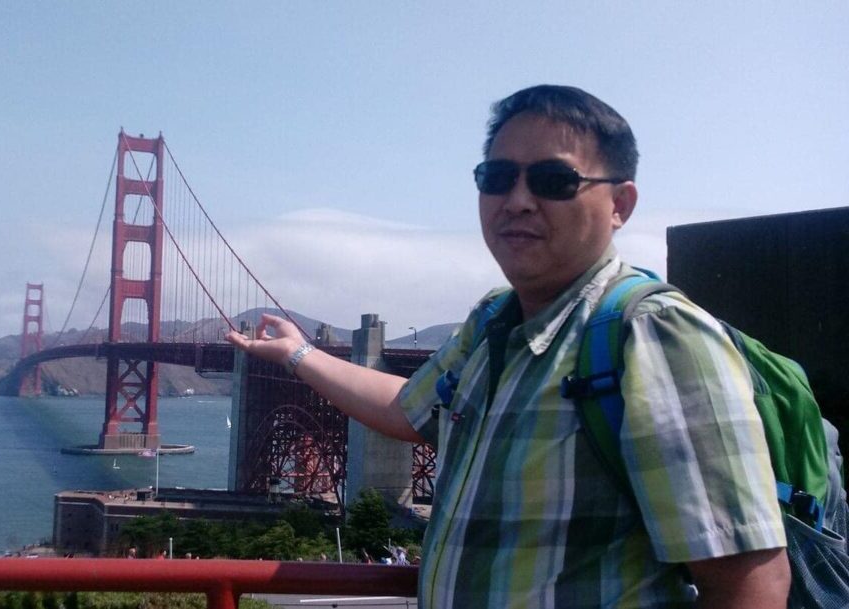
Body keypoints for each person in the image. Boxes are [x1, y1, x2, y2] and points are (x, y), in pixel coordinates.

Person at [227, 85, 790, 608]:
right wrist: (298, 354)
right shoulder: (493, 320)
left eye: (553, 180)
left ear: (620, 204)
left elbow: (750, 584)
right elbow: (408, 408)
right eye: (497, 176)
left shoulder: (655, 334)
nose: (517, 199)